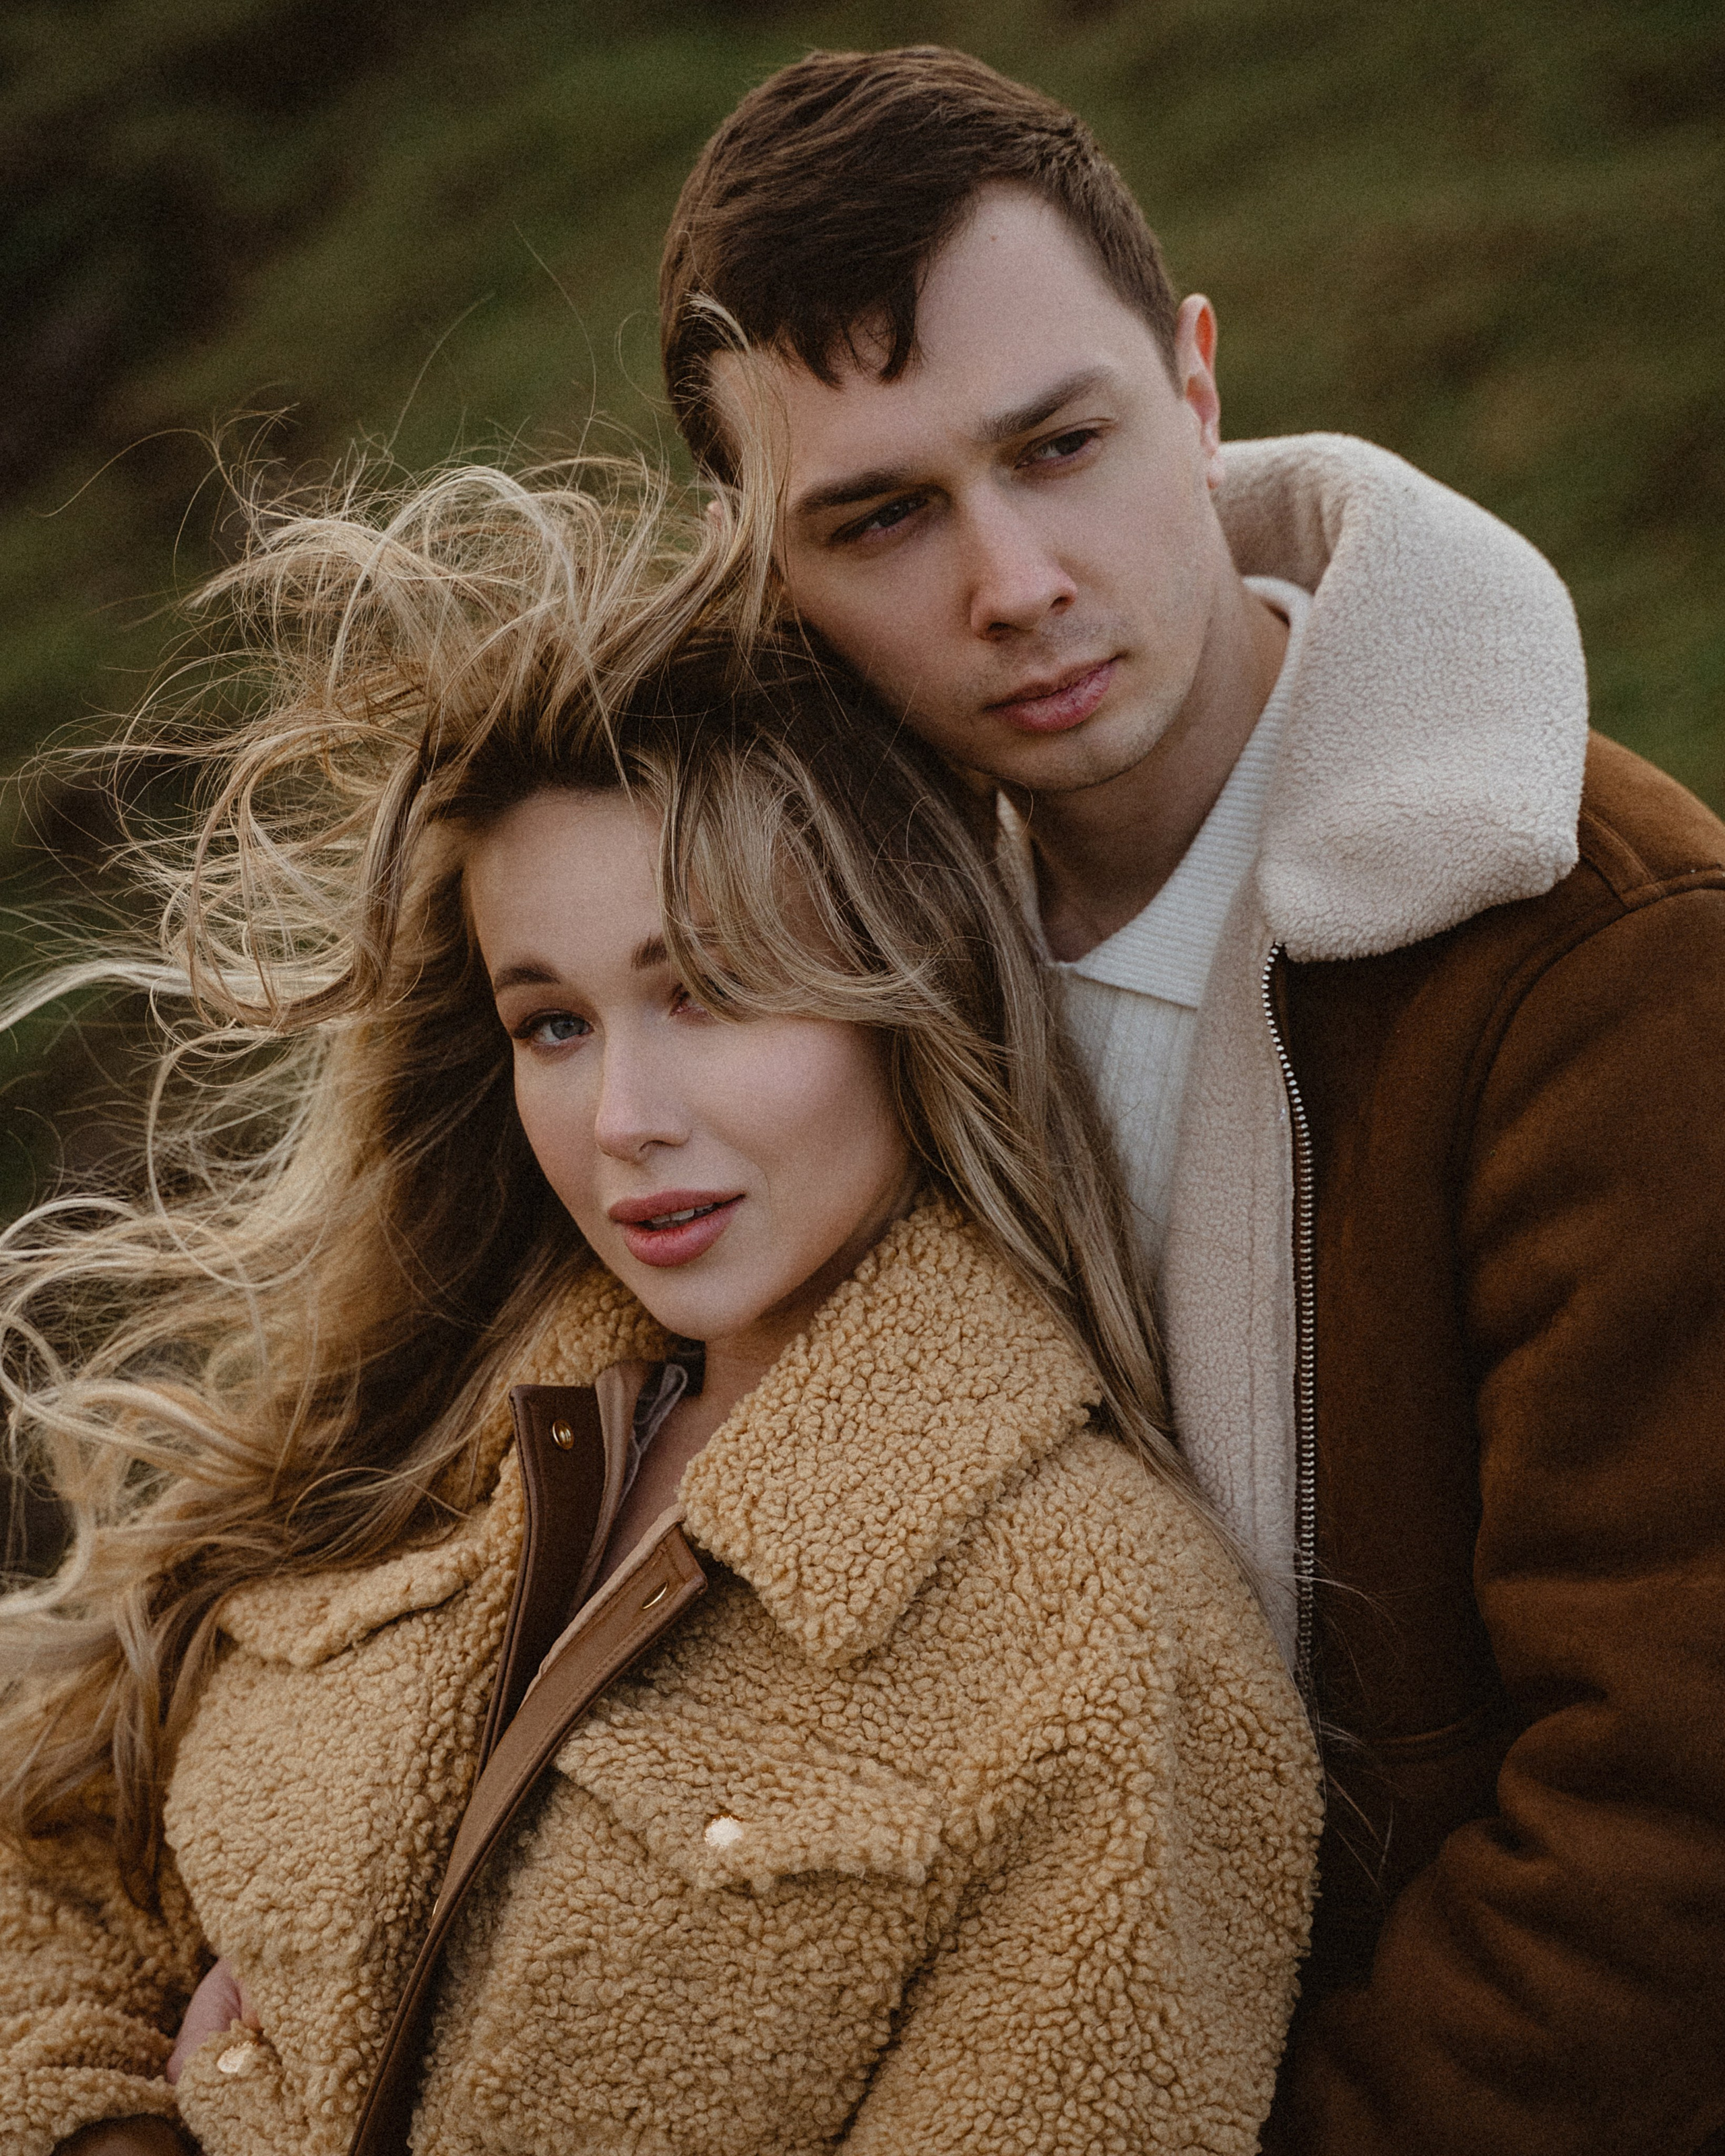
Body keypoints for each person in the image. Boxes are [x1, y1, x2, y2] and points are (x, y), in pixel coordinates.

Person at [656, 44, 1725, 2156]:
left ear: (1199, 381)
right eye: (881, 517)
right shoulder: (809, 987)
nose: (1015, 583)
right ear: (771, 567)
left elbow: (1673, 1825)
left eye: (1061, 446)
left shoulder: (1608, 964)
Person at [0, 463, 1319, 2155]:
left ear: (906, 991)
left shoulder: (1108, 1652)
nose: (623, 1114)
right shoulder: (435, 1420)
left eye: (709, 990)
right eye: (552, 1021)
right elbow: (54, 1852)